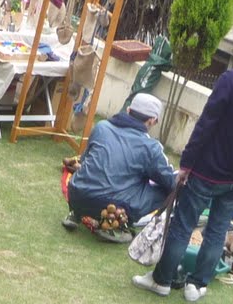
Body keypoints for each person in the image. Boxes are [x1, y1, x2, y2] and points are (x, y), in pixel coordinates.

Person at [133, 24, 233, 303]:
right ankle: (197, 285)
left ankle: (162, 280)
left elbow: (206, 125)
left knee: (183, 225)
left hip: (207, 171)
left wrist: (186, 164)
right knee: (217, 229)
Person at [65, 92, 175, 231]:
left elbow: (84, 160)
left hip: (77, 195)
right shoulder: (151, 147)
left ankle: (76, 213)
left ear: (128, 110)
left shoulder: (101, 126)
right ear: (152, 120)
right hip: (112, 205)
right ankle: (120, 224)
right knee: (167, 190)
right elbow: (171, 181)